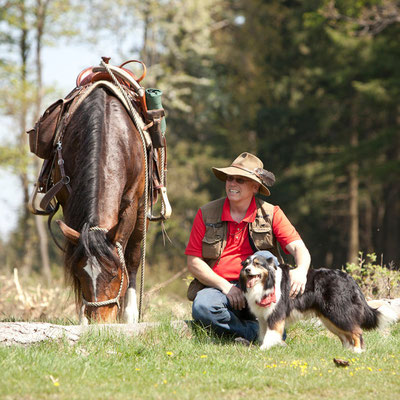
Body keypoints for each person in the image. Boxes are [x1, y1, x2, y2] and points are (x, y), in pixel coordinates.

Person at [185, 152, 311, 343]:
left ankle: (244, 332)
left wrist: (301, 271)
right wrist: (226, 287)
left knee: (263, 256)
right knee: (202, 306)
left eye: (240, 180)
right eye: (229, 178)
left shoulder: (272, 213)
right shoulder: (206, 213)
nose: (232, 184)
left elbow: (299, 248)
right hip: (221, 290)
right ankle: (258, 334)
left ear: (255, 187)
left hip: (260, 289)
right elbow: (194, 262)